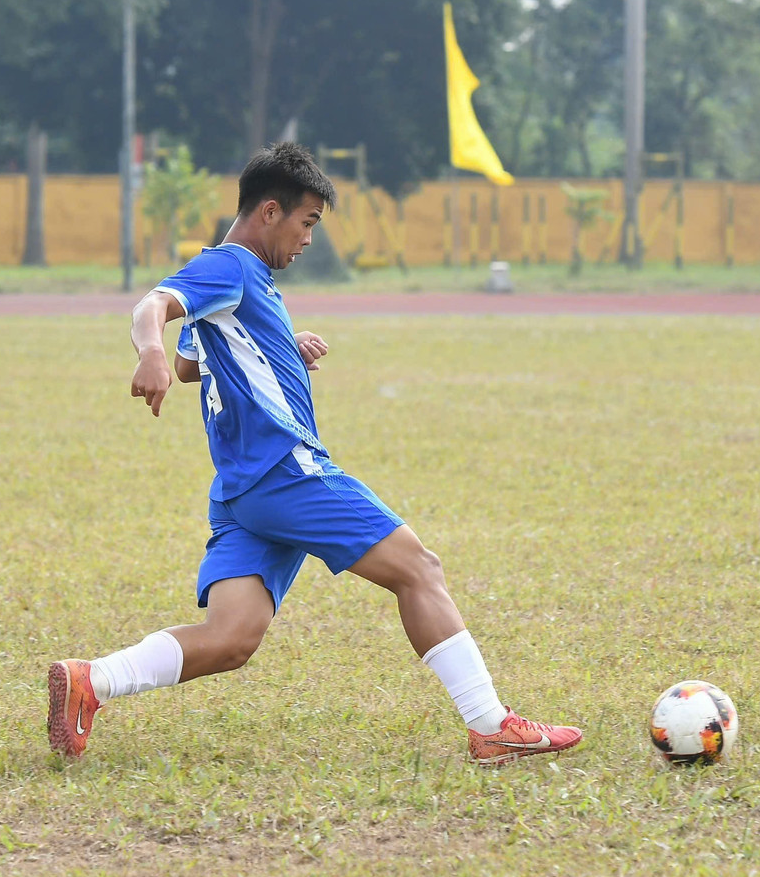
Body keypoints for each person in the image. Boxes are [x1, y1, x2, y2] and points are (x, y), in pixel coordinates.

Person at [47, 142, 582, 765]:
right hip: (286, 473)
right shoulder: (234, 267)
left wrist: (278, 349)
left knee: (230, 639)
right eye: (307, 223)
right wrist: (150, 351)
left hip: (243, 491)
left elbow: (198, 362)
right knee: (419, 569)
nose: (308, 240)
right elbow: (153, 306)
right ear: (270, 212)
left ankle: (91, 681)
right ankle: (491, 725)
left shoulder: (241, 283)